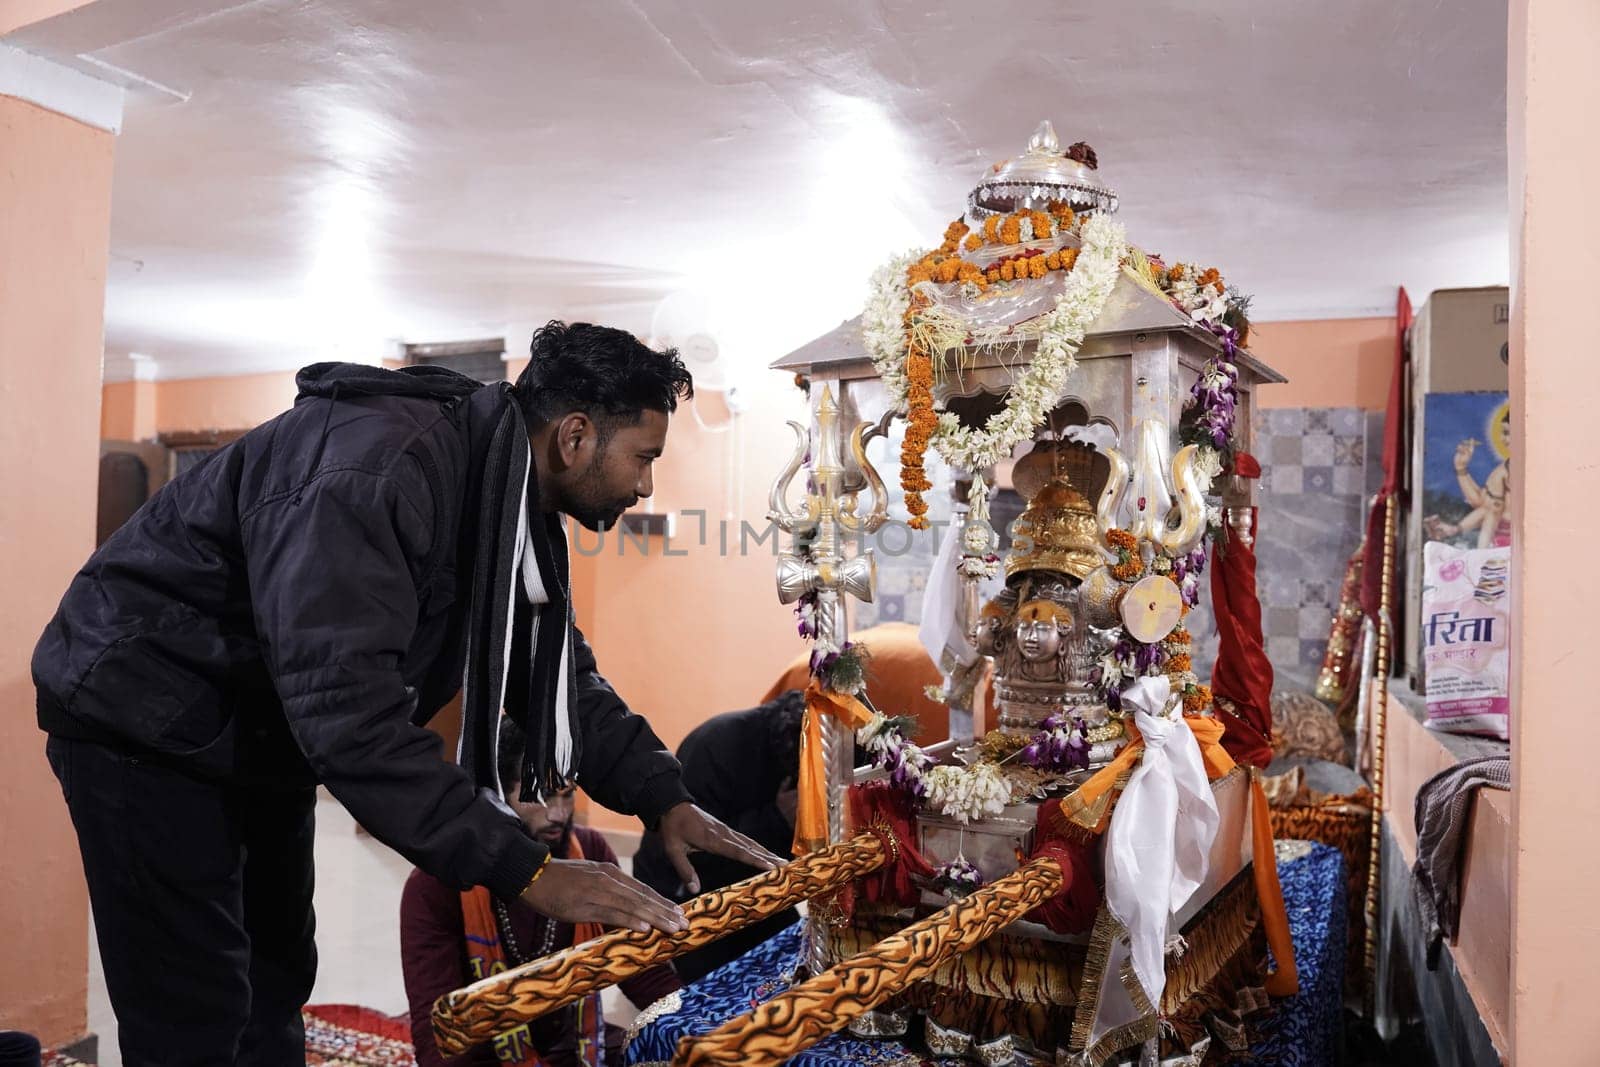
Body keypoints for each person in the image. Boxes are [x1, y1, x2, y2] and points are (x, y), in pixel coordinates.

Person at [33, 321, 780, 1066]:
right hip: (141, 711)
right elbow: (349, 716)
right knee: (194, 1007)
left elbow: (555, 674)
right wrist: (526, 868)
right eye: (644, 457)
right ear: (576, 437)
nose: (645, 484)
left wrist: (664, 796)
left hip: (252, 727)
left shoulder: (504, 496)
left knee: (275, 974)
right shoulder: (381, 471)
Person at [401, 716, 681, 1066]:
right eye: (543, 794)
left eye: (567, 796)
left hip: (576, 1044)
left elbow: (638, 965)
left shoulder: (589, 853)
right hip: (484, 1056)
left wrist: (699, 1027)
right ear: (498, 790)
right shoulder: (436, 882)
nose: (559, 815)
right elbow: (437, 1035)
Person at [631, 690, 805, 982]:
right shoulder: (721, 744)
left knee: (798, 966)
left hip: (754, 888)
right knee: (719, 999)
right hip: (684, 894)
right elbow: (695, 859)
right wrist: (777, 819)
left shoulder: (798, 755)